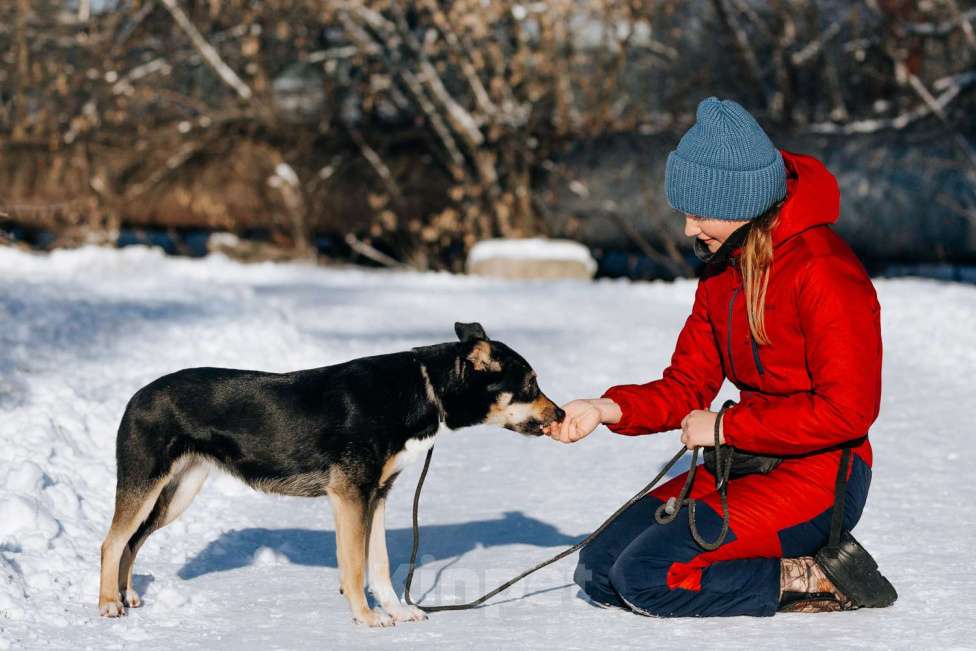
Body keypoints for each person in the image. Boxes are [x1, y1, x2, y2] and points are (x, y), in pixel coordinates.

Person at [547, 96, 887, 617]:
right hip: (745, 463)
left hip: (819, 478)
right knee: (599, 566)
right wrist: (607, 408)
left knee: (645, 577)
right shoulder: (722, 271)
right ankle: (756, 559)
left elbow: (848, 412)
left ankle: (813, 575)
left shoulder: (824, 272)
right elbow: (686, 386)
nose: (687, 229)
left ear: (742, 205)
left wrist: (728, 430)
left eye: (699, 214)